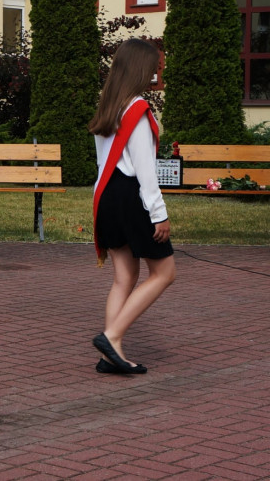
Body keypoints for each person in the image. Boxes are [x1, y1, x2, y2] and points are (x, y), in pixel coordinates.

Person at [88, 38, 175, 375]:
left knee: (124, 277)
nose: (158, 70)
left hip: (107, 195)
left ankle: (112, 356)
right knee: (165, 273)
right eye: (155, 65)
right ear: (142, 67)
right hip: (130, 196)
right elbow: (145, 171)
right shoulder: (137, 109)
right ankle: (112, 337)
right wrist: (160, 214)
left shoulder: (110, 105)